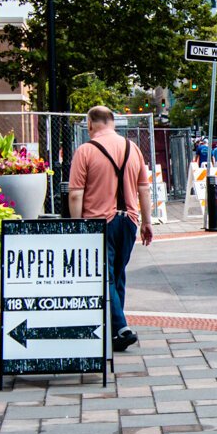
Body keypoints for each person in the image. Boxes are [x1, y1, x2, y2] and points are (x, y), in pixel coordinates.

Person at [68, 105, 153, 353]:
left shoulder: (85, 151)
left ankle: (120, 328)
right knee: (117, 276)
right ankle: (116, 331)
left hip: (98, 223)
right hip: (128, 221)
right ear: (112, 122)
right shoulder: (132, 148)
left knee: (103, 278)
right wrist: (147, 222)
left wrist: (77, 226)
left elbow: (75, 195)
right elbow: (144, 189)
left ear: (91, 123)